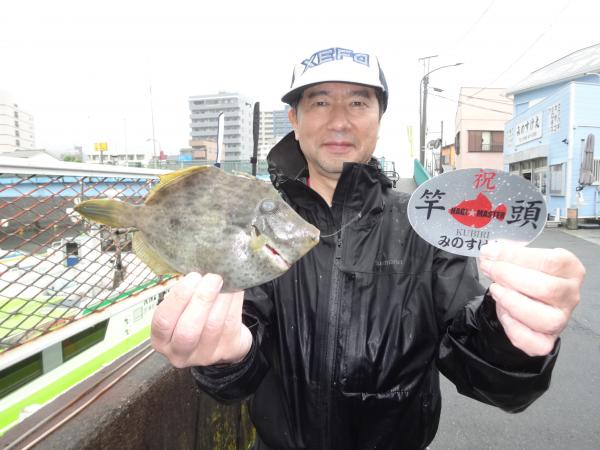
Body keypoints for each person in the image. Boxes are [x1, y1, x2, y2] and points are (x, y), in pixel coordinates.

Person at [151, 47, 585, 449]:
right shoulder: (260, 221)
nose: (340, 121)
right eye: (320, 102)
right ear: (294, 119)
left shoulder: (426, 224)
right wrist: (225, 358)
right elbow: (238, 362)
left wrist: (511, 335)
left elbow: (484, 371)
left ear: (379, 119)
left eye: (359, 103)